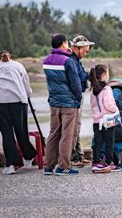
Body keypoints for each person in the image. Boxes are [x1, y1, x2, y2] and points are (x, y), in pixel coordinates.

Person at [0, 50, 36, 175]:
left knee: (7, 133)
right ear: (11, 57)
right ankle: (28, 157)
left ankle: (11, 165)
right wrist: (27, 95)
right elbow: (27, 86)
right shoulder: (18, 65)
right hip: (18, 101)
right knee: (21, 130)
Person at [42, 34, 82, 175]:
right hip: (68, 103)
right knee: (67, 134)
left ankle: (48, 166)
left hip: (54, 102)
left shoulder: (46, 60)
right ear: (64, 43)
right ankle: (63, 166)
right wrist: (79, 98)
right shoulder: (68, 61)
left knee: (53, 133)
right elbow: (75, 84)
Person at [89, 64, 121, 173]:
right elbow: (108, 104)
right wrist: (116, 109)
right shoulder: (107, 88)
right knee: (109, 142)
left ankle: (96, 162)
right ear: (103, 74)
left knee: (97, 142)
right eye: (107, 72)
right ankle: (109, 162)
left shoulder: (93, 89)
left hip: (97, 120)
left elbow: (93, 105)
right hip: (108, 120)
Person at [69, 35, 95, 168]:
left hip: (77, 96)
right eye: (85, 51)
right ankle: (74, 157)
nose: (85, 54)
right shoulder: (72, 61)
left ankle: (79, 155)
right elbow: (76, 80)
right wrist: (78, 96)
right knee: (74, 127)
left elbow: (82, 75)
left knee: (77, 126)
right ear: (77, 48)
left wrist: (88, 75)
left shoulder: (76, 60)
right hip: (75, 97)